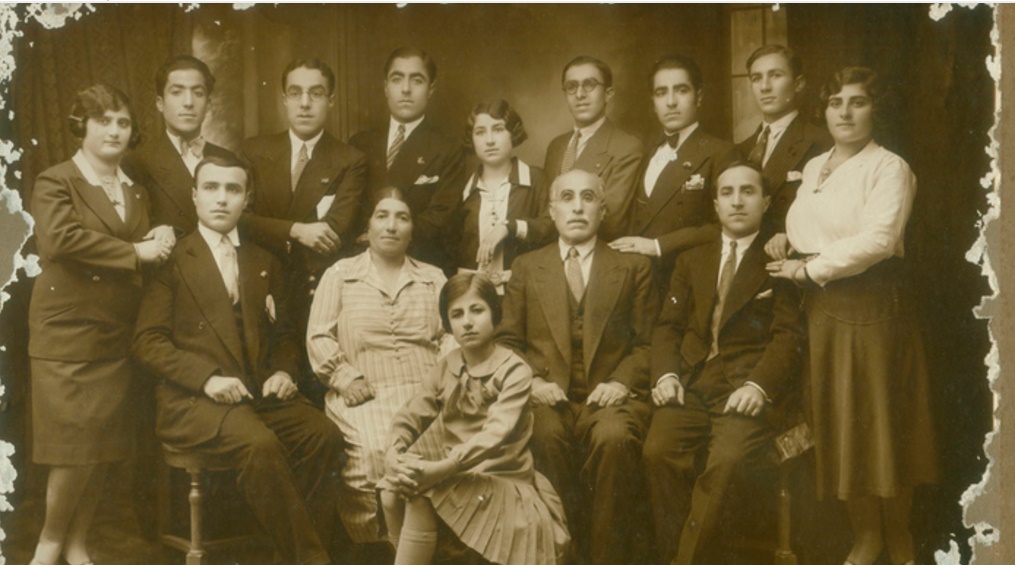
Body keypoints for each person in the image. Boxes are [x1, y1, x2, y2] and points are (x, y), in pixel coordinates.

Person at [133, 155, 345, 565]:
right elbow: (148, 342)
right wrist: (207, 379)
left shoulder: (264, 259)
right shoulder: (172, 259)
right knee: (259, 445)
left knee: (323, 435)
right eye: (211, 188)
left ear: (247, 199)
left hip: (255, 394)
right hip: (194, 400)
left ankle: (287, 555)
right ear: (194, 196)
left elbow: (284, 334)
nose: (221, 199)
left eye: (233, 189)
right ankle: (311, 561)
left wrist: (284, 370)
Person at [765, 67, 938, 565]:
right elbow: (815, 224)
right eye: (835, 102)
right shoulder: (814, 166)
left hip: (874, 312)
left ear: (875, 110)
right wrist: (787, 237)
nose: (844, 112)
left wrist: (806, 268)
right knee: (842, 427)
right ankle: (866, 537)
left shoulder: (889, 167)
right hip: (823, 315)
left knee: (883, 425)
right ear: (823, 109)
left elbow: (878, 240)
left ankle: (898, 537)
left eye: (857, 102)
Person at [28, 83, 174, 565]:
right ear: (82, 126)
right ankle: (48, 544)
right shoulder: (57, 180)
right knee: (75, 450)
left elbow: (142, 245)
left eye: (123, 122)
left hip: (116, 334)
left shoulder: (133, 188)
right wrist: (136, 250)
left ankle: (77, 543)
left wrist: (157, 234)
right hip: (68, 334)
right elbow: (59, 240)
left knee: (102, 449)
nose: (114, 130)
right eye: (103, 120)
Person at [642, 161, 805, 565]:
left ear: (766, 202)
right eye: (727, 193)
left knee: (726, 462)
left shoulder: (778, 257)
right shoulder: (692, 258)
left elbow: (788, 336)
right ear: (715, 204)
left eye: (748, 191)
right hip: (692, 382)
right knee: (657, 451)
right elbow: (668, 326)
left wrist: (757, 386)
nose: (737, 201)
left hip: (746, 386)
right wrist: (666, 375)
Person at [497, 169, 659, 565]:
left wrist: (620, 382)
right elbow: (506, 344)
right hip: (547, 397)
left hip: (610, 398)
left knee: (614, 438)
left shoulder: (632, 266)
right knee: (544, 436)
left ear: (603, 210)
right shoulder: (527, 267)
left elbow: (649, 343)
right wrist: (533, 383)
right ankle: (562, 557)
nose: (577, 208)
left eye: (588, 198)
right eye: (567, 198)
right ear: (552, 210)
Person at [378, 273, 570, 565]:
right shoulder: (446, 367)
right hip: (458, 475)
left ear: (495, 314)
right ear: (448, 324)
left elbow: (494, 434)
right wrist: (394, 452)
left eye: (477, 310)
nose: (467, 322)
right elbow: (412, 414)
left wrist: (441, 468)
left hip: (500, 479)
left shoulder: (514, 370)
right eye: (457, 314)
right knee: (390, 493)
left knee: (419, 493)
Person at [307, 187, 449, 551]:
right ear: (367, 227)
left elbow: (451, 336)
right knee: (375, 454)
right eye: (382, 216)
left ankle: (430, 549)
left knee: (436, 453)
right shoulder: (340, 275)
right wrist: (344, 377)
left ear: (412, 230)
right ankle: (381, 549)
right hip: (364, 393)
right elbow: (318, 335)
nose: (391, 225)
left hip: (426, 393)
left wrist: (445, 381)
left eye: (402, 217)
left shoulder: (433, 278)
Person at [240, 57, 367, 399]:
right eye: (295, 93)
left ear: (331, 100)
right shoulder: (254, 151)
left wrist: (271, 227)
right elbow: (240, 219)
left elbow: (333, 230)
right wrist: (297, 229)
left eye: (316, 93)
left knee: (312, 392)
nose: (305, 103)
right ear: (284, 99)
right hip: (258, 285)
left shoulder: (349, 160)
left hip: (314, 292)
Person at [614, 54, 737, 290]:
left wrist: (658, 245)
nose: (671, 102)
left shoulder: (721, 152)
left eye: (681, 90)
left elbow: (725, 225)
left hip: (688, 280)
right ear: (653, 102)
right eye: (661, 93)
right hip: (640, 280)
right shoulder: (645, 151)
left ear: (698, 97)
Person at [350, 47, 466, 271]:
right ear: (386, 87)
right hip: (362, 263)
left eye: (417, 80)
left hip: (420, 265)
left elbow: (442, 216)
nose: (405, 89)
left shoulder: (448, 148)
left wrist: (384, 238)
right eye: (397, 79)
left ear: (431, 89)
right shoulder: (360, 143)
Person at [448, 100, 555, 293]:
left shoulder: (535, 179)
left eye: (498, 129)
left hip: (523, 291)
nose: (489, 140)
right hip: (474, 295)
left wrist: (509, 227)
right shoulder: (464, 189)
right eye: (480, 132)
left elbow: (550, 225)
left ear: (512, 133)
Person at [122, 55, 236, 235]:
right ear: (160, 103)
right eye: (177, 92)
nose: (188, 103)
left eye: (198, 93)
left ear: (208, 105)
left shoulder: (228, 159)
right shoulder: (137, 163)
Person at [544, 55, 643, 241]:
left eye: (589, 84)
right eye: (571, 86)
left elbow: (611, 220)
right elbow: (545, 210)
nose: (580, 94)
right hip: (552, 252)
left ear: (608, 93)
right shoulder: (556, 146)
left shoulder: (627, 147)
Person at [737, 45, 831, 231]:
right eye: (756, 78)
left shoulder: (821, 141)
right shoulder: (741, 149)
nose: (765, 87)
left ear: (798, 84)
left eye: (776, 75)